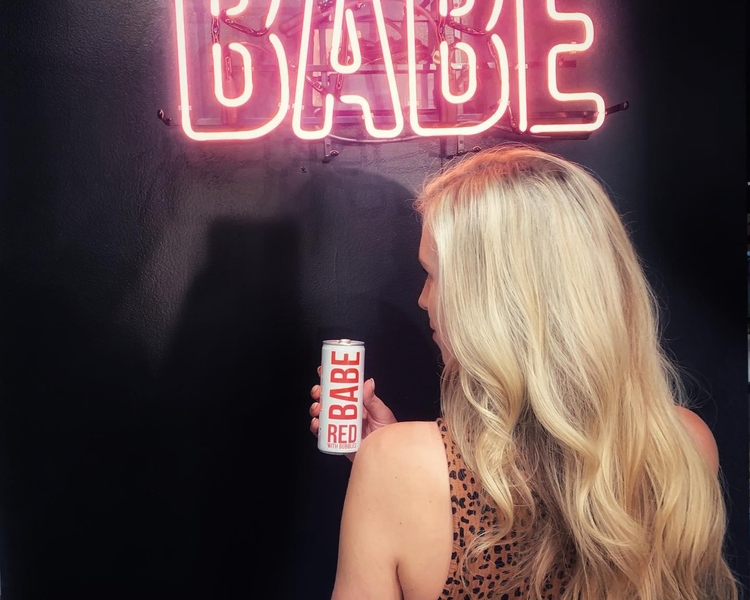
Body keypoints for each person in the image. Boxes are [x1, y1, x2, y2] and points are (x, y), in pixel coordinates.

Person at [308, 144, 739, 600]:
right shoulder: (684, 444)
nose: (423, 299)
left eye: (434, 276)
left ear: (492, 299)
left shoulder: (395, 463)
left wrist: (389, 466)